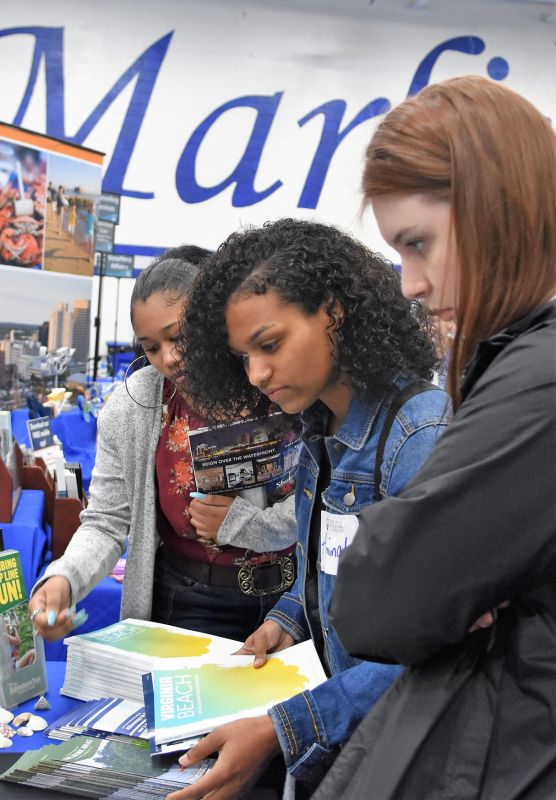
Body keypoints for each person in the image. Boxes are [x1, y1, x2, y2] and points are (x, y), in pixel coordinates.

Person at [309, 76, 556, 800]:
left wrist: (439, 585)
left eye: (419, 244)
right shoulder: (518, 361)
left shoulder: (541, 377)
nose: (411, 282)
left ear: (499, 209)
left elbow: (377, 602)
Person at [170, 218, 450, 800]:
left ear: (334, 312)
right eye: (242, 356)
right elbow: (325, 568)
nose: (257, 373)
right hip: (343, 747)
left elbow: (437, 647)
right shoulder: (317, 433)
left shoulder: (418, 436)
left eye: (269, 345)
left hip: (404, 758)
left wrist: (285, 728)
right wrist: (284, 620)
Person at [28, 245, 298, 645]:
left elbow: (323, 500)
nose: (169, 357)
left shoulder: (273, 381)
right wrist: (65, 577)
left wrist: (244, 524)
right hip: (188, 602)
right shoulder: (133, 406)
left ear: (212, 318)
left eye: (179, 336)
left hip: (293, 601)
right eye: (151, 347)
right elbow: (106, 520)